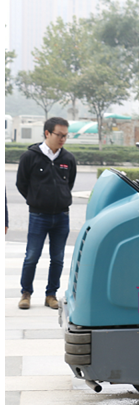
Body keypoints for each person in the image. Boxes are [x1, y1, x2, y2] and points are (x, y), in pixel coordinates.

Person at [16, 117, 77, 310]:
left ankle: (51, 295)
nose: (63, 139)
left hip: (61, 216)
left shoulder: (68, 159)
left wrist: (61, 198)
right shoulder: (30, 156)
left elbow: (69, 183)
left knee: (57, 258)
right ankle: (26, 294)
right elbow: (21, 183)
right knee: (32, 256)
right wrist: (35, 200)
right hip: (38, 216)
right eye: (59, 135)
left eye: (65, 136)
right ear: (47, 133)